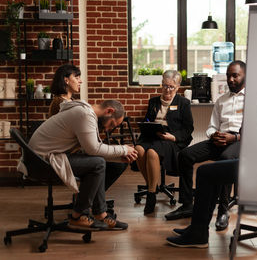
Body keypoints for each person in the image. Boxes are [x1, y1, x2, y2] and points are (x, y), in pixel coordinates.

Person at [29, 99, 138, 230]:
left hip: (46, 157)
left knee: (104, 163)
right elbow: (93, 149)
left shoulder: (84, 112)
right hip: (42, 162)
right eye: (112, 124)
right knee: (98, 164)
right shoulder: (85, 114)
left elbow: (91, 150)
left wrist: (120, 157)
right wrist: (124, 149)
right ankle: (77, 216)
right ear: (109, 111)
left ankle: (100, 214)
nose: (109, 129)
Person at [165, 61, 246, 233]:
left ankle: (223, 210)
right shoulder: (221, 100)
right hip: (219, 139)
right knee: (185, 155)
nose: (230, 79)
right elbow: (211, 126)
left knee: (225, 160)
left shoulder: (253, 100)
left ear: (245, 76)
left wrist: (234, 137)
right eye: (228, 75)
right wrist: (213, 135)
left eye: (235, 75)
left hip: (240, 141)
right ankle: (187, 204)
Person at [48, 64, 128, 195]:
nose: (81, 81)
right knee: (107, 163)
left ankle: (91, 199)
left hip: (75, 151)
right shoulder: (61, 104)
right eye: (77, 77)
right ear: (66, 80)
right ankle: (89, 200)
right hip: (67, 155)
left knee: (117, 162)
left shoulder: (71, 102)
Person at [135, 70, 194, 214]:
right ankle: (152, 186)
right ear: (161, 84)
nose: (167, 89)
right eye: (165, 86)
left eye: (171, 87)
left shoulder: (183, 103)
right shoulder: (153, 101)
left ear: (178, 87)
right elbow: (148, 119)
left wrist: (173, 137)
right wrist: (147, 124)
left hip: (169, 138)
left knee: (152, 153)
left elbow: (188, 128)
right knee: (139, 150)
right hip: (151, 135)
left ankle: (151, 194)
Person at [166, 159, 239, 248]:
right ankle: (199, 229)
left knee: (205, 172)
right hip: (256, 165)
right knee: (211, 171)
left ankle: (198, 232)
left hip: (255, 167)